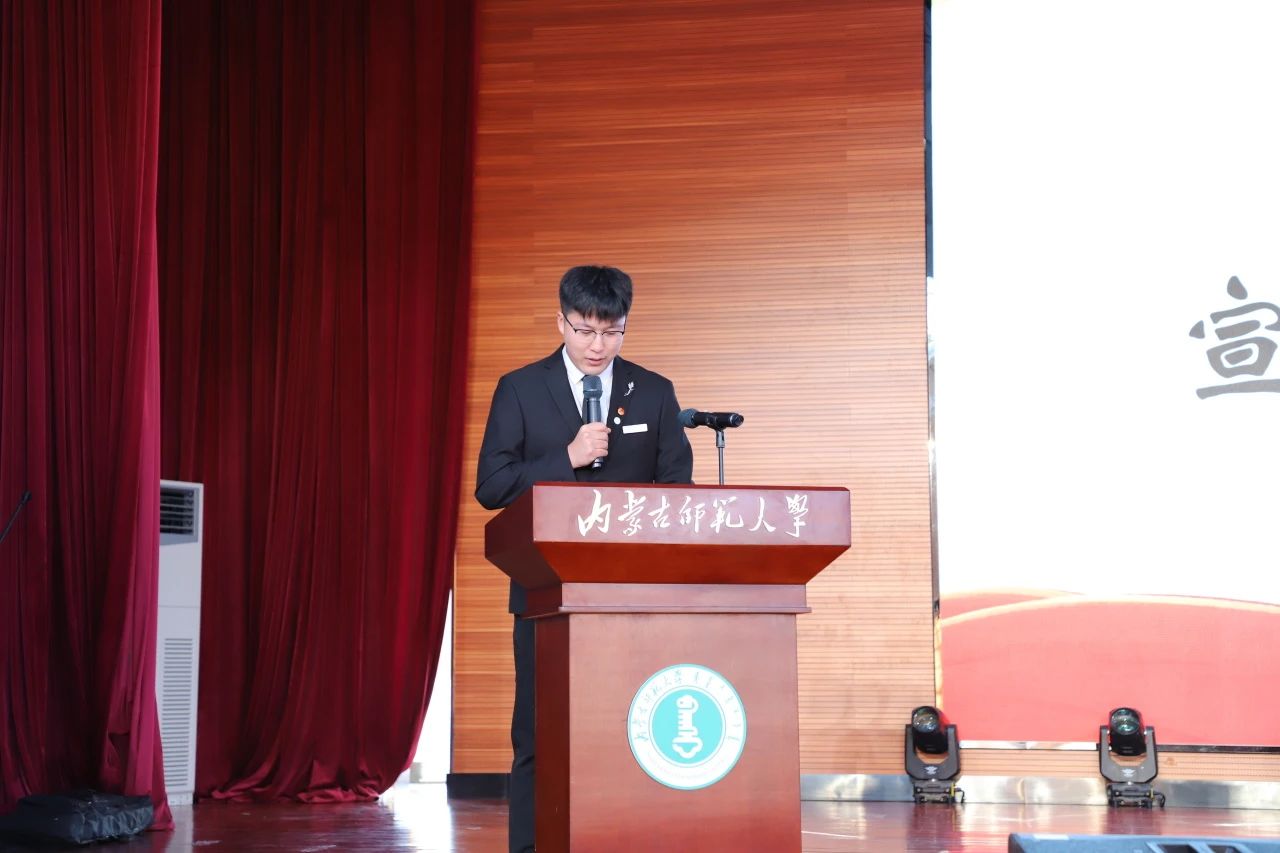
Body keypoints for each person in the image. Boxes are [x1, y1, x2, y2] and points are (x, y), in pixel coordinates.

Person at [475, 265, 694, 853]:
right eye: (586, 331)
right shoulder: (520, 389)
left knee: (634, 729)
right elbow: (491, 486)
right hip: (544, 589)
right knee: (537, 733)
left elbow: (678, 491)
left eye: (612, 332)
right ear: (562, 322)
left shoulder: (654, 391)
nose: (598, 346)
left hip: (633, 596)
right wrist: (565, 458)